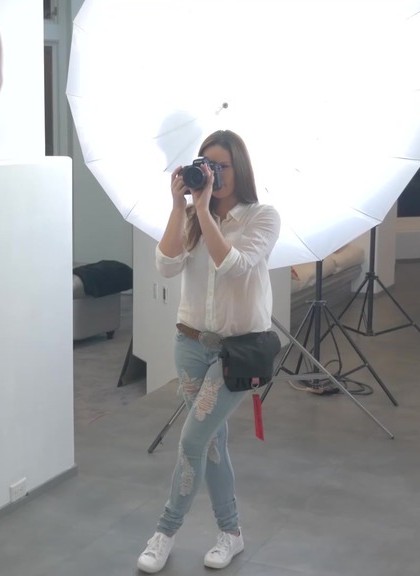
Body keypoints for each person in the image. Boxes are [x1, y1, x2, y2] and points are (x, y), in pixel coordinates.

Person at [137, 130, 281, 573]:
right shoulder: (190, 217)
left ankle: (165, 531)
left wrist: (203, 211)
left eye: (221, 166)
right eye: (206, 165)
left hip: (237, 353)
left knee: (193, 440)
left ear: (239, 169)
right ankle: (231, 532)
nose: (213, 174)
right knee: (212, 442)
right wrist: (179, 208)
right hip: (189, 344)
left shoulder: (262, 217)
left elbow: (234, 266)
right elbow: (165, 266)